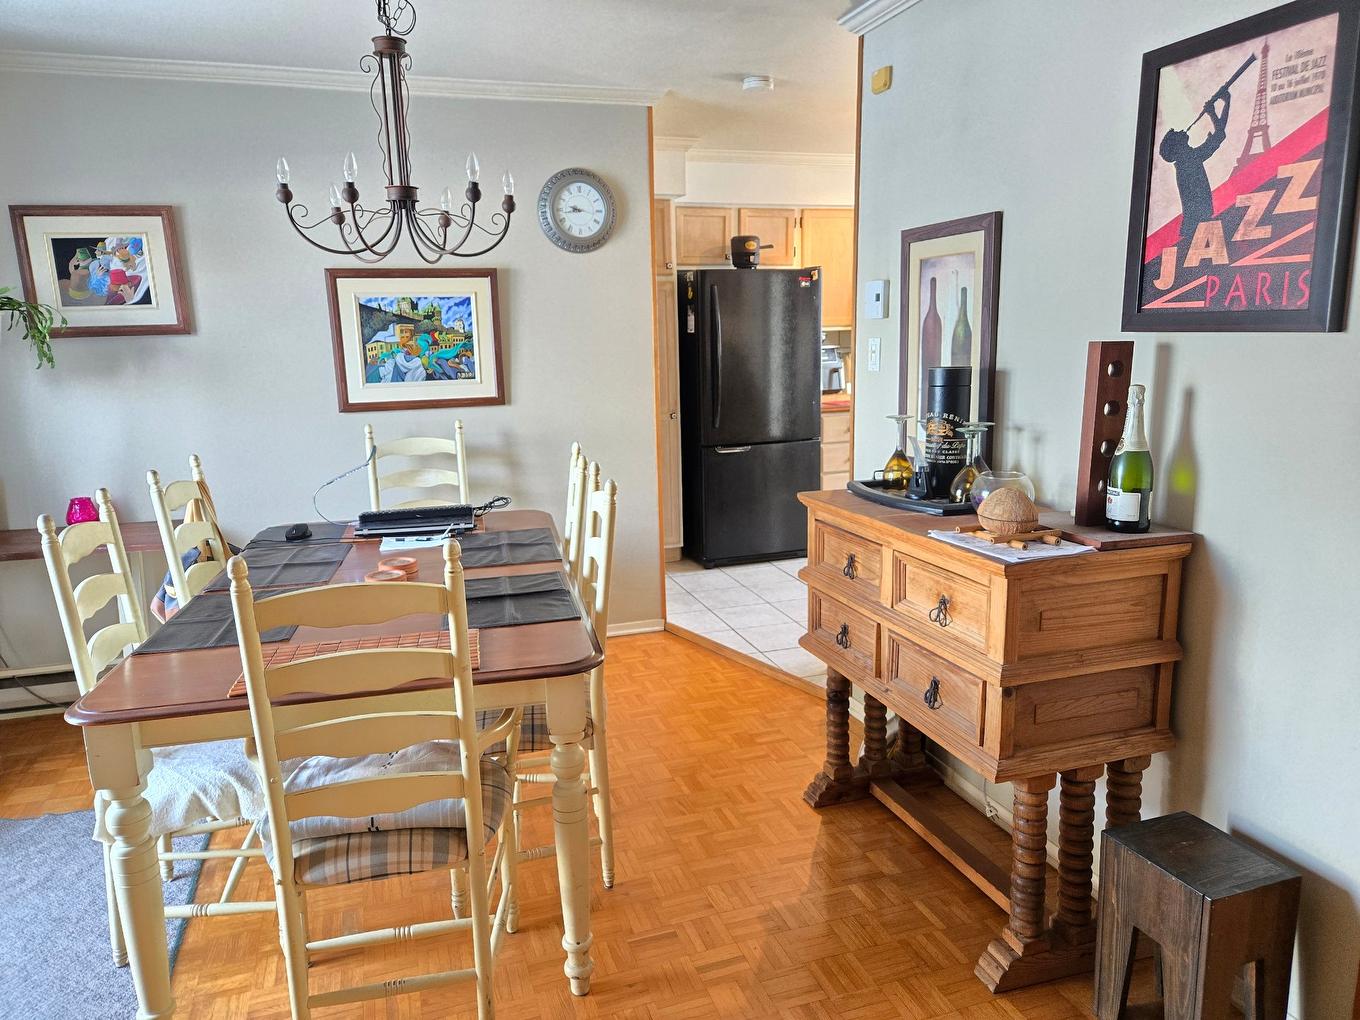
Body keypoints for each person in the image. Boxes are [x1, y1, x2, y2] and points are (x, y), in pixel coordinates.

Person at [1159, 90, 1231, 248]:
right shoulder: (1188, 161)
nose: (1181, 131)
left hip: (1196, 223)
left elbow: (1220, 135)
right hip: (1198, 223)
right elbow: (1219, 135)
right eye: (1177, 134)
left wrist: (1222, 106)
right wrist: (1215, 111)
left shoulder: (1187, 160)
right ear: (1177, 147)